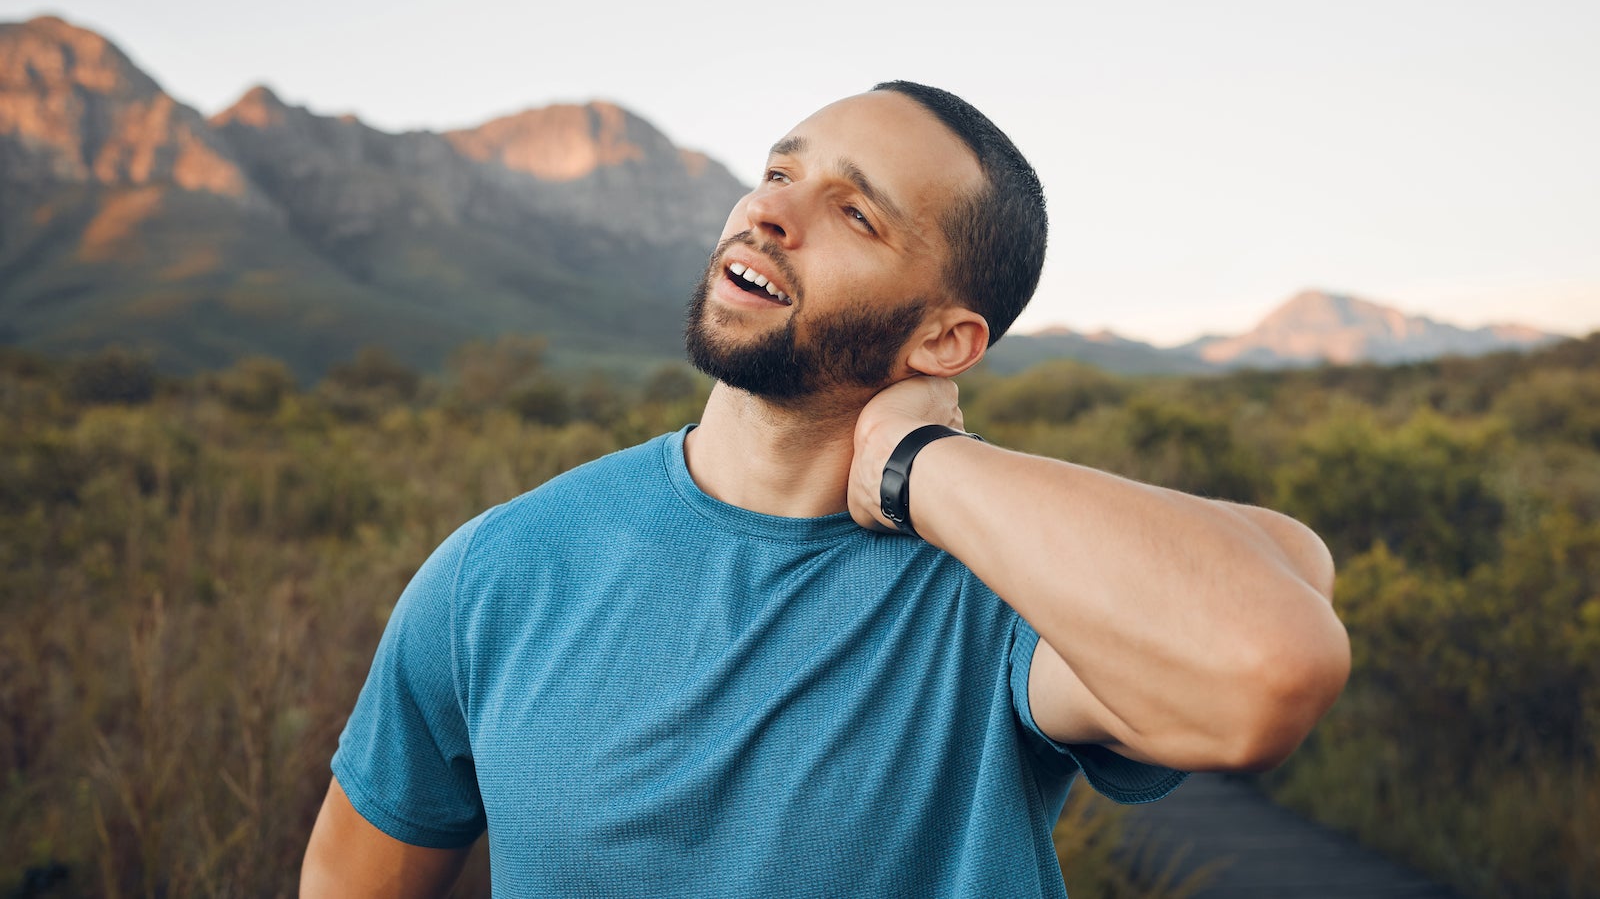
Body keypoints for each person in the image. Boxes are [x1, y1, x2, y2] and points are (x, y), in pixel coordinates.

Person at [300, 81, 1350, 898]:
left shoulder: (996, 591)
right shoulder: (505, 567)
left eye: (854, 213)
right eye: (779, 170)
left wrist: (920, 467)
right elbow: (355, 871)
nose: (768, 212)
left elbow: (1267, 659)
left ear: (946, 339)